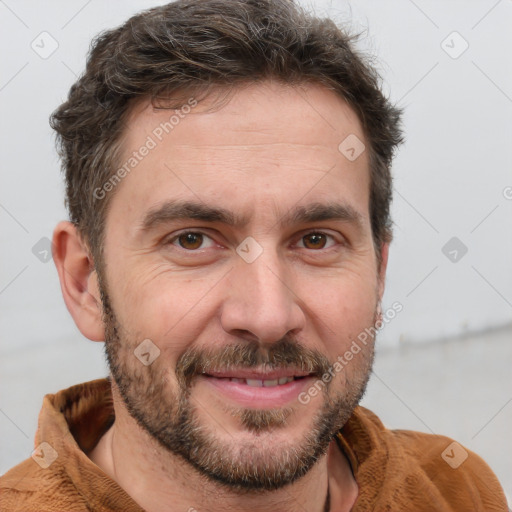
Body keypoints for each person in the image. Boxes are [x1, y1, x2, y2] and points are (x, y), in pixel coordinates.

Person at [0, 0, 508, 510]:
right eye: (193, 240)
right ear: (85, 282)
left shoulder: (457, 490)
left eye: (316, 240)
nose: (268, 316)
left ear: (378, 275)